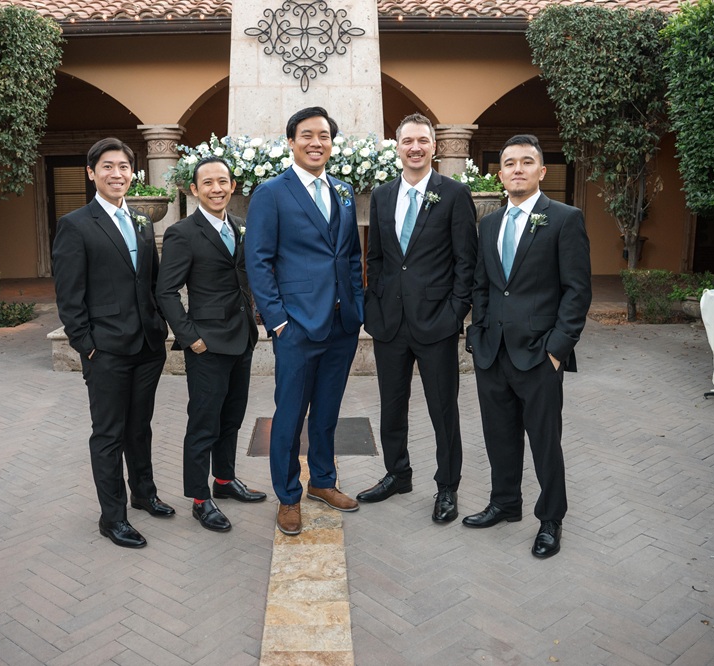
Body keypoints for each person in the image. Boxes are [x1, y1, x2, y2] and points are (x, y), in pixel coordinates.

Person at [464, 134, 591, 559]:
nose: (517, 169)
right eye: (509, 163)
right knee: (498, 435)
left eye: (526, 162)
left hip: (539, 355)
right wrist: (477, 333)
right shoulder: (488, 225)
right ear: (499, 175)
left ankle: (551, 519)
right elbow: (482, 285)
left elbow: (577, 292)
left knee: (544, 442)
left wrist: (557, 349)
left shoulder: (565, 219)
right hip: (492, 352)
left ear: (542, 171)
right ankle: (505, 503)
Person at [246, 106, 365, 536]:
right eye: (307, 135)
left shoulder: (344, 191)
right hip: (296, 326)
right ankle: (288, 496)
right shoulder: (271, 193)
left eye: (324, 136)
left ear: (332, 143)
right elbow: (258, 261)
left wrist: (356, 308)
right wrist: (277, 320)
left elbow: (350, 256)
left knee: (328, 411)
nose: (316, 143)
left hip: (341, 325)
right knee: (290, 415)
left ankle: (323, 482)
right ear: (291, 142)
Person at [52, 137, 175, 549]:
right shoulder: (75, 225)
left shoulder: (142, 221)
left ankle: (144, 494)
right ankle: (113, 518)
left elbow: (151, 282)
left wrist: (159, 326)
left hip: (147, 347)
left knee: (140, 427)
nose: (116, 174)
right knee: (108, 434)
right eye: (107, 166)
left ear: (132, 173)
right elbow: (69, 295)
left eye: (123, 167)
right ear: (92, 173)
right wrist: (86, 344)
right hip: (105, 350)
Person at [358, 113, 478, 523]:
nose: (415, 148)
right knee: (392, 407)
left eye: (422, 141)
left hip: (436, 323)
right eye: (407, 141)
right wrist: (373, 307)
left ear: (434, 147)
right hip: (389, 323)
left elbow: (466, 262)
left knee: (443, 410)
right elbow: (375, 257)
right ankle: (398, 474)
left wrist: (454, 313)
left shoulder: (454, 194)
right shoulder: (382, 195)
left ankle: (447, 487)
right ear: (398, 147)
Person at [156, 156, 267, 532]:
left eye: (223, 181)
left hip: (242, 339)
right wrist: (192, 338)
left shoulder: (241, 226)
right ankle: (200, 499)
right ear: (194, 190)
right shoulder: (182, 233)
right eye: (208, 183)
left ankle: (224, 479)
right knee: (204, 423)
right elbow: (166, 291)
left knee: (232, 418)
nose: (216, 188)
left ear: (233, 186)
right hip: (207, 346)